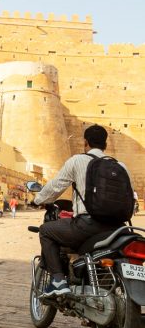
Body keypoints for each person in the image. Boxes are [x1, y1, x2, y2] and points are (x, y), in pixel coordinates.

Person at [34, 124, 132, 298]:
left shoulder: (77, 161)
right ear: (105, 145)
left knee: (46, 231)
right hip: (117, 228)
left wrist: (38, 200)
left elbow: (55, 186)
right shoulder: (121, 166)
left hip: (87, 226)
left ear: (85, 143)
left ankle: (58, 280)